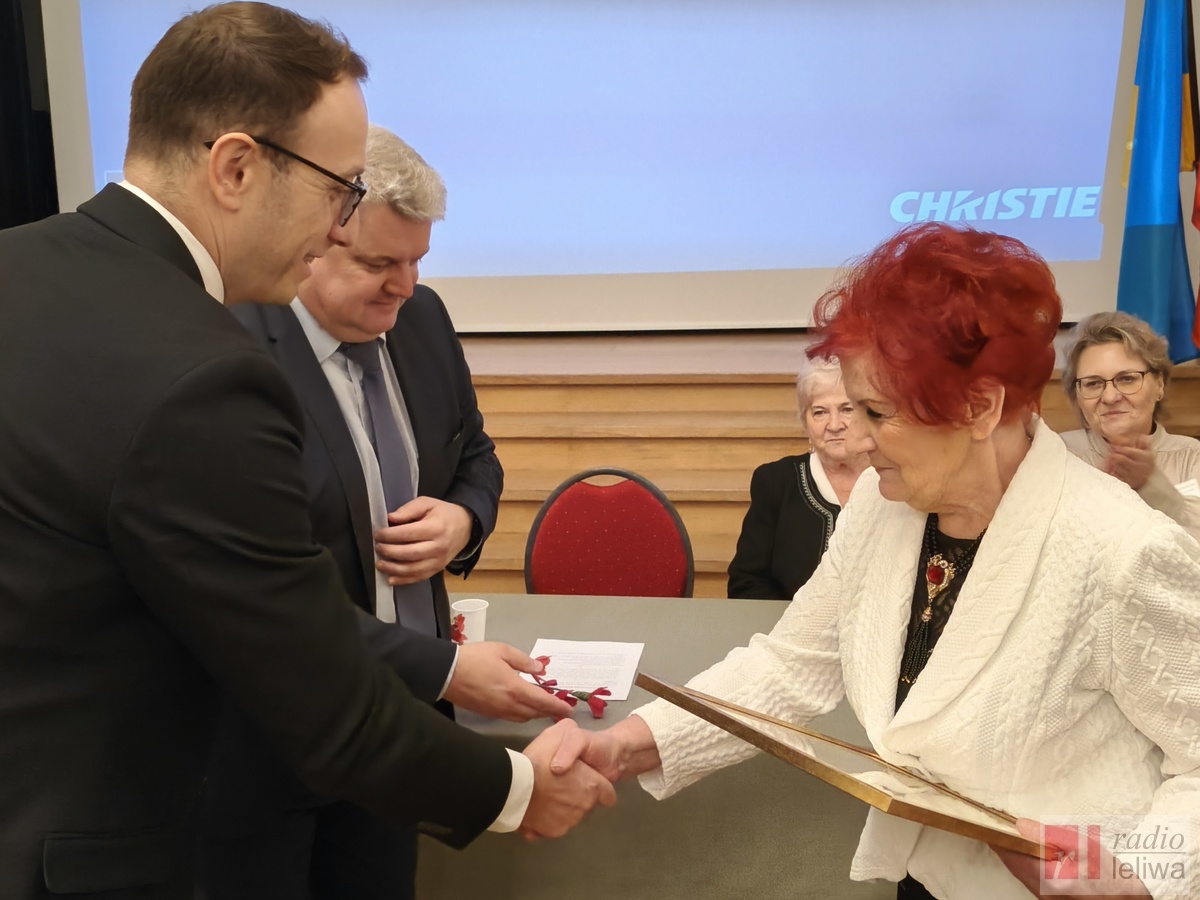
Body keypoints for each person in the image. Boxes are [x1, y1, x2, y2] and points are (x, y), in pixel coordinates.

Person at [0, 6, 611, 897]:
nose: (338, 228)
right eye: (340, 191)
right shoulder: (205, 372)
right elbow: (318, 692)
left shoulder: (20, 268)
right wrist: (517, 790)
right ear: (236, 168)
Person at [546, 223, 1200, 899]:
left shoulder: (1121, 549)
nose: (855, 440)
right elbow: (792, 664)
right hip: (926, 877)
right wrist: (627, 743)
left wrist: (1144, 876)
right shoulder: (882, 508)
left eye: (877, 412)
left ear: (980, 407)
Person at [199, 125, 573, 899]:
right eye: (378, 264)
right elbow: (263, 598)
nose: (403, 287)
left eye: (417, 261)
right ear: (316, 239)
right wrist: (448, 668)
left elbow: (476, 456)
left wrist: (463, 518)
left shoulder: (422, 320)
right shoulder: (231, 355)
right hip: (270, 753)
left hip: (400, 736)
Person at [727, 357, 869, 599]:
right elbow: (746, 583)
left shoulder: (895, 481)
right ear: (805, 421)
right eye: (820, 412)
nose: (834, 424)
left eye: (847, 409)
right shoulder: (776, 482)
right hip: (790, 622)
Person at [1059, 310, 1200, 543]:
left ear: (1159, 385)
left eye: (1127, 379)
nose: (1110, 397)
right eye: (1093, 383)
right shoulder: (1058, 455)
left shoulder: (1191, 458)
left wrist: (1152, 486)